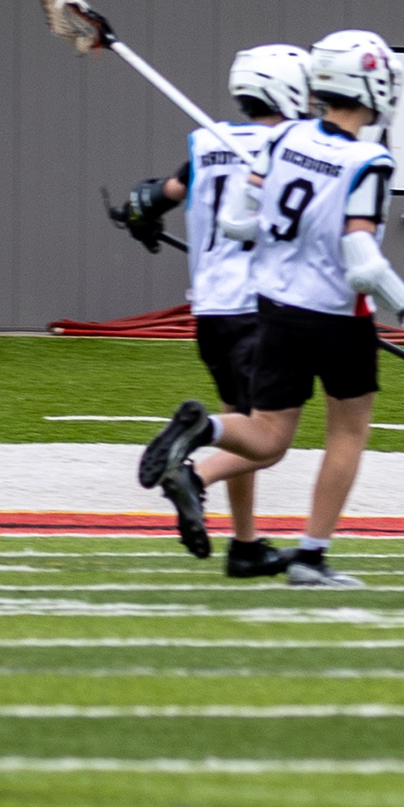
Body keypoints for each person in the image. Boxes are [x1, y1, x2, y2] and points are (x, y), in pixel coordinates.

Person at [137, 30, 404, 588]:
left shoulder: (285, 138)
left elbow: (235, 223)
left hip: (276, 310)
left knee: (268, 434)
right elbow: (361, 262)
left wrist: (281, 236)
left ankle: (204, 429)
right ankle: (311, 557)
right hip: (338, 316)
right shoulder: (368, 160)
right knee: (348, 433)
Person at [116, 42, 311, 580]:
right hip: (263, 310)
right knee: (272, 440)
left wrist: (137, 215)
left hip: (211, 314)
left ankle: (245, 546)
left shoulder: (206, 144)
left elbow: (158, 196)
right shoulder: (296, 148)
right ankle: (195, 471)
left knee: (242, 422)